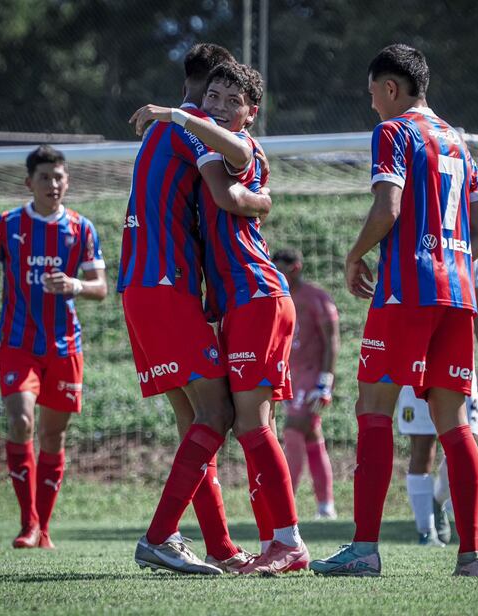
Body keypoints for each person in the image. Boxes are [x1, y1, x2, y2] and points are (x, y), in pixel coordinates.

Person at [310, 44, 478, 578]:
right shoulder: (459, 143)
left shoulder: (395, 133)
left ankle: (364, 548)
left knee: (373, 410)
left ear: (391, 88)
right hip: (458, 296)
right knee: (453, 425)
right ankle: (470, 556)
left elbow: (388, 206)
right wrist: (448, 260)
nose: (372, 106)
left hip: (404, 295)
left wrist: (354, 256)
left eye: (373, 94)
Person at [134, 62, 308, 575]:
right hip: (235, 303)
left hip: (258, 293)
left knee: (251, 424)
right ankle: (258, 544)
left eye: (233, 100)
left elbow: (228, 189)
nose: (218, 105)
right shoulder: (208, 145)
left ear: (251, 114)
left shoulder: (240, 146)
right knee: (247, 425)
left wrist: (176, 115)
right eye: (212, 94)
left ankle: (288, 542)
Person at [0, 145, 108, 549]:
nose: (53, 184)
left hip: (65, 348)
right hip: (17, 344)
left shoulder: (82, 228)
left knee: (53, 436)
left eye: (59, 177)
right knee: (22, 421)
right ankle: (28, 524)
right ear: (29, 183)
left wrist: (75, 285)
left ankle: (44, 527)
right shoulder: (7, 225)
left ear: (67, 181)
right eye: (45, 177)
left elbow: (101, 288)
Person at [398, 255, 478, 547]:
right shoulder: (413, 247)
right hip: (417, 361)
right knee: (422, 448)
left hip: (459, 361)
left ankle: (438, 498)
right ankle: (426, 533)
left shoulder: (469, 247)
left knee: (464, 445)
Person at [273, 247, 340, 520]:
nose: (275, 274)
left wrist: (325, 382)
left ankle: (283, 505)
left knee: (292, 432)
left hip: (312, 377)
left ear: (295, 268)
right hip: (291, 377)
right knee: (312, 437)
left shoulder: (316, 298)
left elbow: (332, 341)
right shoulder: (278, 298)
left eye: (280, 269)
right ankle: (326, 506)